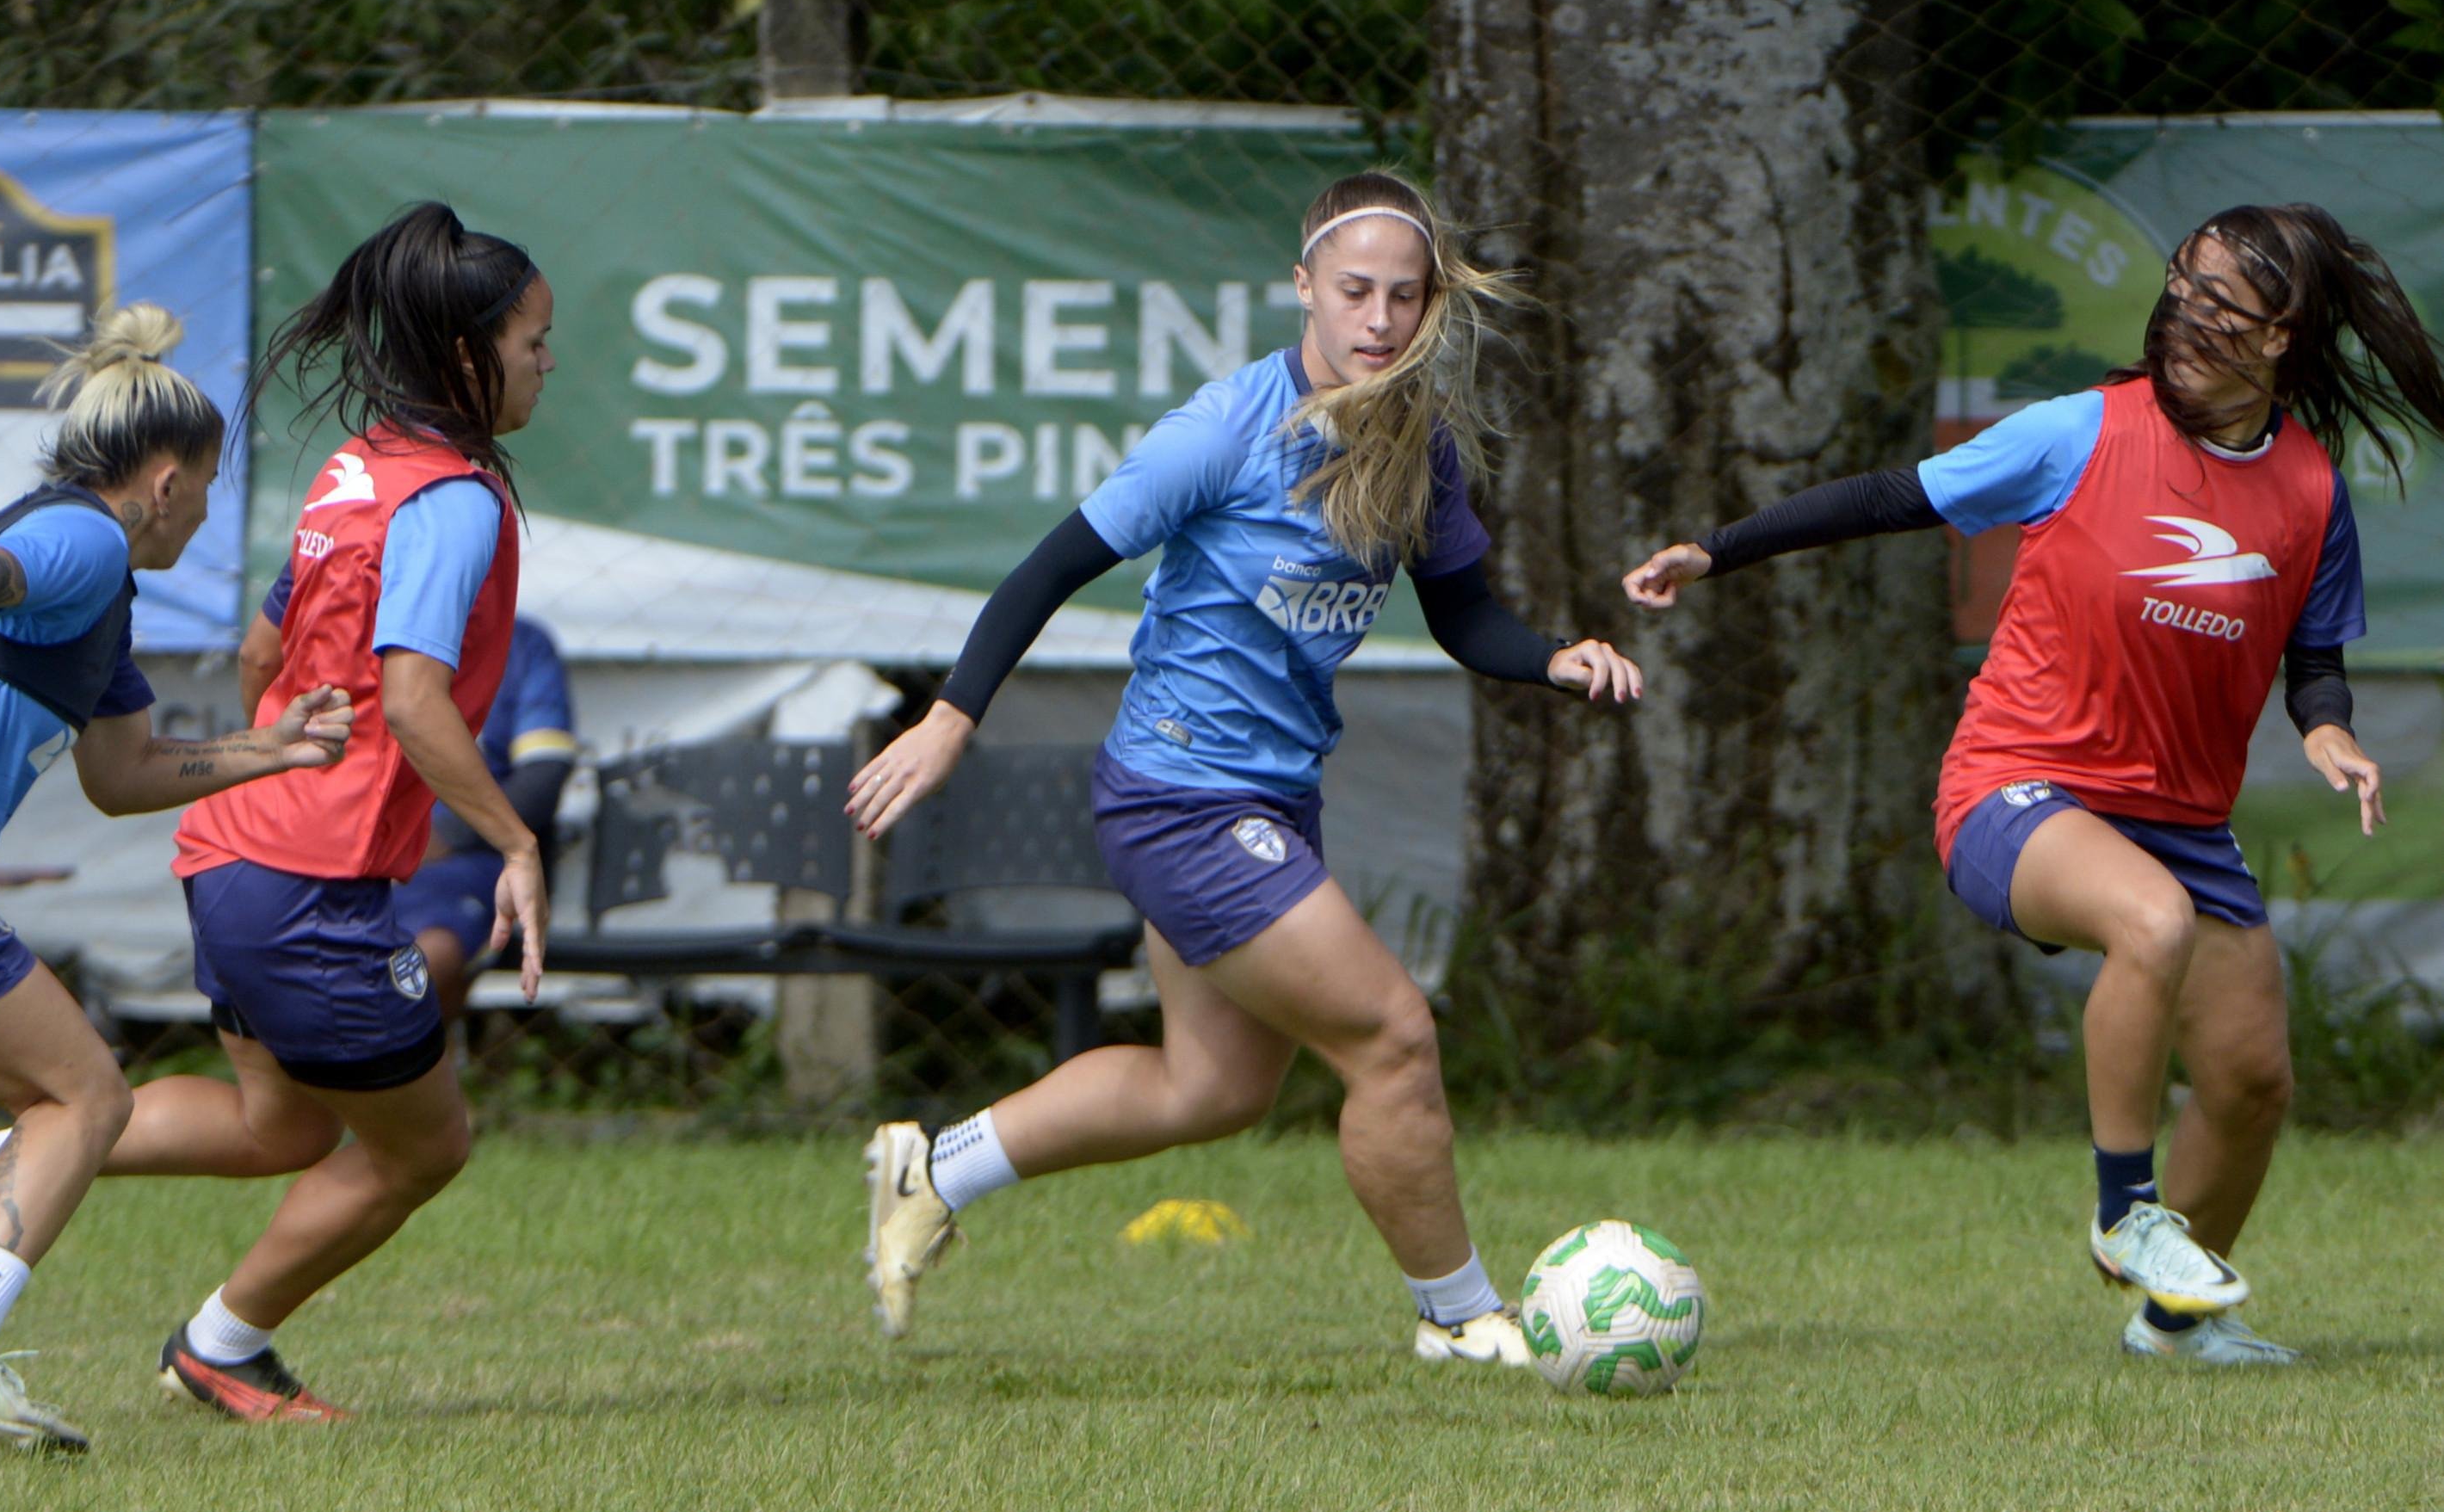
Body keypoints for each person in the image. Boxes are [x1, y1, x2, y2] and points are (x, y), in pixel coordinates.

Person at [1621, 203, 2444, 1365]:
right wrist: (1717, 548)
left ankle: (2171, 1325)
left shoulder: (2306, 488)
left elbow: (2312, 654)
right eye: (2182, 283)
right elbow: (1888, 497)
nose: (2185, 313)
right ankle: (2123, 1211)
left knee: (2250, 1080)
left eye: (2222, 302)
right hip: (2015, 787)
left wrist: (2328, 730)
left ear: (2279, 340)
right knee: (2144, 921)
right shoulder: (2076, 432)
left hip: (2181, 820)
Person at [851, 171, 1642, 1366]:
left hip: (1268, 796)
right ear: (1303, 291)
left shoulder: (1414, 446)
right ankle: (1457, 1315)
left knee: (1207, 1089)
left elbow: (1463, 616)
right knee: (1389, 1032)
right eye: (1354, 292)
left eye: (1404, 297)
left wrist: (1553, 659)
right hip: (1179, 796)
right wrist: (952, 719)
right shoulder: (1225, 428)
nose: (1378, 320)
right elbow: (1046, 567)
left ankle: (935, 1167)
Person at [0, 201, 549, 1423]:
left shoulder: (350, 470)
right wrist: (513, 841)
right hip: (306, 886)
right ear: (465, 357)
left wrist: (277, 772)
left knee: (278, 1122)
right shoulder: (453, 500)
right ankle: (221, 1345)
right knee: (426, 1147)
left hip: (231, 852)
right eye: (531, 343)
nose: (544, 365)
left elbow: (259, 653)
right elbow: (410, 699)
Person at [0, 304, 354, 1450]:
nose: (202, 513)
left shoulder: (101, 610)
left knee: (75, 1092)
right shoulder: (83, 539)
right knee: (86, 1093)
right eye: (210, 488)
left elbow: (124, 773)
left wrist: (270, 750)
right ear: (169, 482)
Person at [242, 578, 575, 1024]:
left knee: (421, 962)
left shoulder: (522, 645)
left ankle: (405, 1067)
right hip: (353, 848)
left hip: (461, 859)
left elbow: (544, 777)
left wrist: (443, 834)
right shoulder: (357, 641)